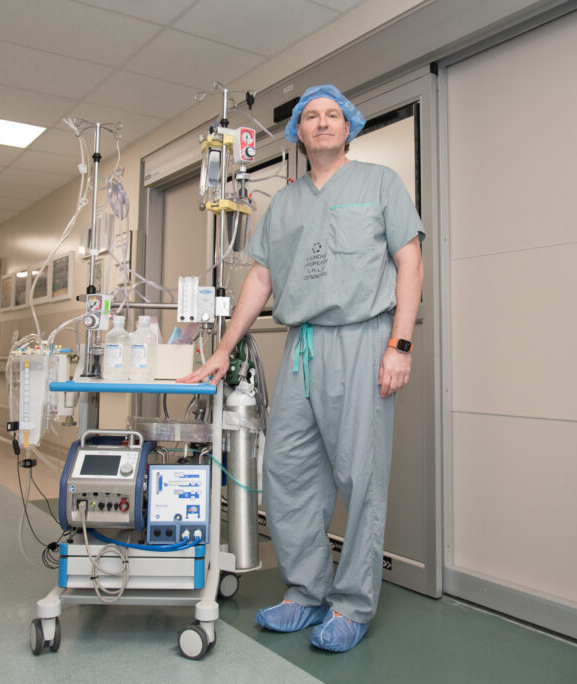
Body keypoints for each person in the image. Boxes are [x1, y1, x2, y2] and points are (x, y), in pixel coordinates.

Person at [180, 84, 424, 652]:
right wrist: (222, 350)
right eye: (309, 116)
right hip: (302, 348)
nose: (320, 123)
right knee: (286, 471)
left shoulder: (380, 184)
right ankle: (306, 591)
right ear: (297, 131)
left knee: (360, 476)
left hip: (363, 342)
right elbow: (260, 280)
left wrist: (401, 344)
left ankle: (353, 603)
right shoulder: (285, 203)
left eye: (331, 115)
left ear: (348, 126)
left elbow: (409, 262)